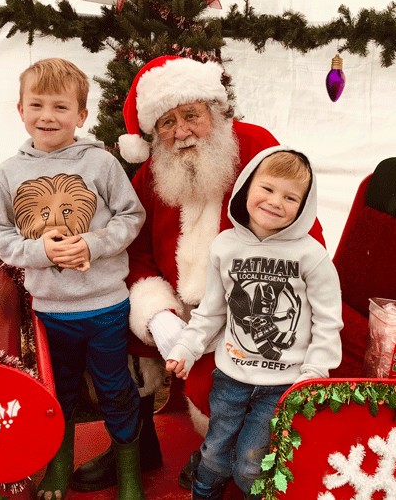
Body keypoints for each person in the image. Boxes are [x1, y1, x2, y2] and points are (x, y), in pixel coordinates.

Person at [70, 55, 326, 492]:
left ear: (216, 110)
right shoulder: (152, 173)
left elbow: (299, 234)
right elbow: (132, 250)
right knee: (112, 332)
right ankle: (135, 441)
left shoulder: (257, 148)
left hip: (249, 306)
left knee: (228, 371)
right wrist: (158, 314)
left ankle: (219, 452)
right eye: (166, 122)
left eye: (191, 115)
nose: (181, 132)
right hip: (179, 304)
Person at [0, 58, 146, 500]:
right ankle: (59, 466)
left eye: (60, 107)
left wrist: (93, 244)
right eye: (37, 105)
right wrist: (41, 251)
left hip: (105, 307)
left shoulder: (101, 164)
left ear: (81, 115)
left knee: (115, 389)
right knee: (60, 395)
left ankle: (129, 470)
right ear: (20, 110)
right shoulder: (8, 173)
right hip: (51, 312)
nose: (47, 116)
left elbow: (132, 216)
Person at [165, 147, 343, 498]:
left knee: (250, 462)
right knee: (215, 452)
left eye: (291, 197)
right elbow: (213, 310)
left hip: (283, 384)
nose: (276, 201)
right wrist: (186, 345)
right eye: (268, 189)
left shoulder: (312, 256)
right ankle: (204, 490)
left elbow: (327, 322)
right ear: (247, 187)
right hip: (231, 376)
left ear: (305, 205)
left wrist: (314, 373)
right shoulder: (225, 246)